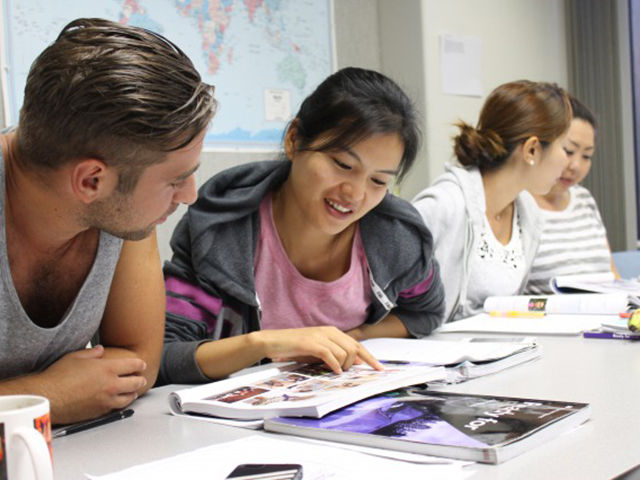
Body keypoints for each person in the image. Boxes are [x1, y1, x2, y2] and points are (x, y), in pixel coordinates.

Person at [159, 67, 446, 385]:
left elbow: (425, 313)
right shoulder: (220, 231)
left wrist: (355, 336)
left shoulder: (396, 237)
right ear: (294, 140)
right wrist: (268, 344)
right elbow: (167, 354)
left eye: (379, 181)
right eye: (343, 165)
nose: (355, 194)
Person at [0, 18, 216, 424]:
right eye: (175, 180)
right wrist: (51, 394)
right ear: (91, 180)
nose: (190, 195)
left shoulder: (122, 213)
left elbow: (138, 364)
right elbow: (75, 390)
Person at [412, 80, 571, 323]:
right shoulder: (442, 206)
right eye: (565, 148)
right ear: (531, 150)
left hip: (499, 355)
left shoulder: (528, 214)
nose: (567, 162)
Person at [525, 96, 620, 293]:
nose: (575, 166)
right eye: (568, 151)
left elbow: (613, 275)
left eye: (587, 156)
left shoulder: (583, 198)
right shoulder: (518, 203)